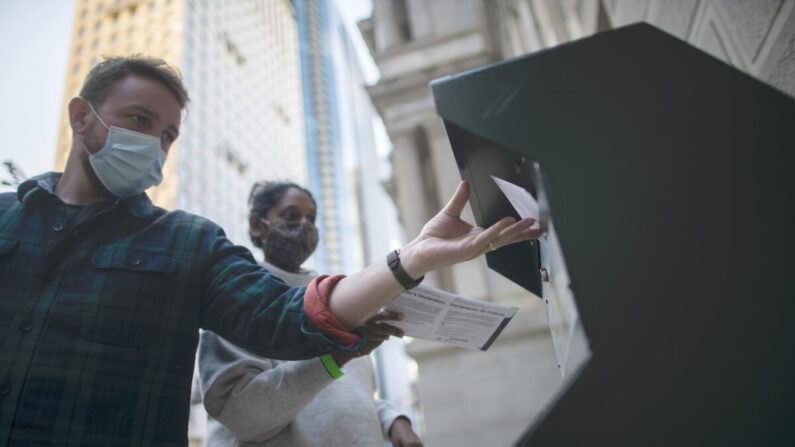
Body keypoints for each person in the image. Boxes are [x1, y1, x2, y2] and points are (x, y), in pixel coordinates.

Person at [0, 55, 538, 445]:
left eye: (168, 135)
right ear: (81, 116)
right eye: (140, 121)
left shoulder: (189, 243)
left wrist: (413, 258)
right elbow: (247, 410)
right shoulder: (7, 219)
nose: (155, 145)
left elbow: (286, 316)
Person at [199, 181, 423, 446]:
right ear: (257, 225)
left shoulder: (339, 298)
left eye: (312, 219)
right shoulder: (236, 299)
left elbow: (347, 393)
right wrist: (339, 354)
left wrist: (393, 421)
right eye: (291, 216)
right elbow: (242, 416)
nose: (304, 225)